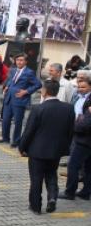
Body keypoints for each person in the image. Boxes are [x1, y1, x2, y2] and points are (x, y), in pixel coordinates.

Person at [19, 80, 75, 214]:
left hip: (37, 151)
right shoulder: (68, 108)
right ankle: (52, 198)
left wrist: (22, 147)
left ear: (45, 91)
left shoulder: (38, 108)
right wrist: (64, 147)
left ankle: (36, 206)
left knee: (36, 179)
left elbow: (29, 131)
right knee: (51, 174)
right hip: (55, 151)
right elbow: (70, 130)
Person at [0, 53, 42, 147]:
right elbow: (10, 80)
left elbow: (38, 84)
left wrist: (26, 91)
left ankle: (16, 141)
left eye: (21, 60)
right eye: (17, 60)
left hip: (19, 99)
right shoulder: (12, 70)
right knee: (5, 119)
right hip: (9, 98)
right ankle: (5, 137)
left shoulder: (29, 72)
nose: (19, 62)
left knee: (18, 122)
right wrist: (7, 86)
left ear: (26, 62)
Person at [61, 77, 91, 201]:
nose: (80, 89)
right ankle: (85, 192)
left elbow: (86, 123)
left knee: (73, 165)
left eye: (83, 87)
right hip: (78, 135)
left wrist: (75, 125)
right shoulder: (78, 97)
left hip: (84, 138)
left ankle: (70, 192)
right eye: (79, 87)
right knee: (88, 166)